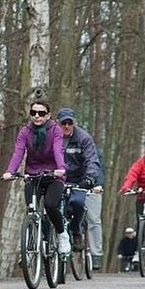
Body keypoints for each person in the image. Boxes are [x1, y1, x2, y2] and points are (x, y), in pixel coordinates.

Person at [1, 100, 69, 254]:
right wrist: (10, 171)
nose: (37, 116)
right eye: (33, 113)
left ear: (48, 115)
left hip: (53, 175)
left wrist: (61, 168)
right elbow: (19, 152)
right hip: (33, 174)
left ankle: (61, 234)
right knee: (31, 209)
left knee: (50, 205)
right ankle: (30, 244)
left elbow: (58, 150)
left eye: (41, 113)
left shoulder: (55, 130)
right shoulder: (25, 131)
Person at [57, 107, 100, 251]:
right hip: (58, 178)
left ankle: (76, 231)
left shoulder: (83, 138)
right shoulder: (52, 137)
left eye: (70, 123)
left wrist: (90, 177)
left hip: (78, 179)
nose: (67, 126)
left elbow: (92, 159)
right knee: (50, 206)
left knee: (78, 202)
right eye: (64, 123)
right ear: (58, 124)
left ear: (74, 123)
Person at [86, 146, 104, 269]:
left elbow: (98, 168)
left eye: (69, 124)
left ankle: (95, 254)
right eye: (64, 124)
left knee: (94, 220)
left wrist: (98, 184)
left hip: (91, 185)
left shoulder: (93, 149)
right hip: (68, 182)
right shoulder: (58, 143)